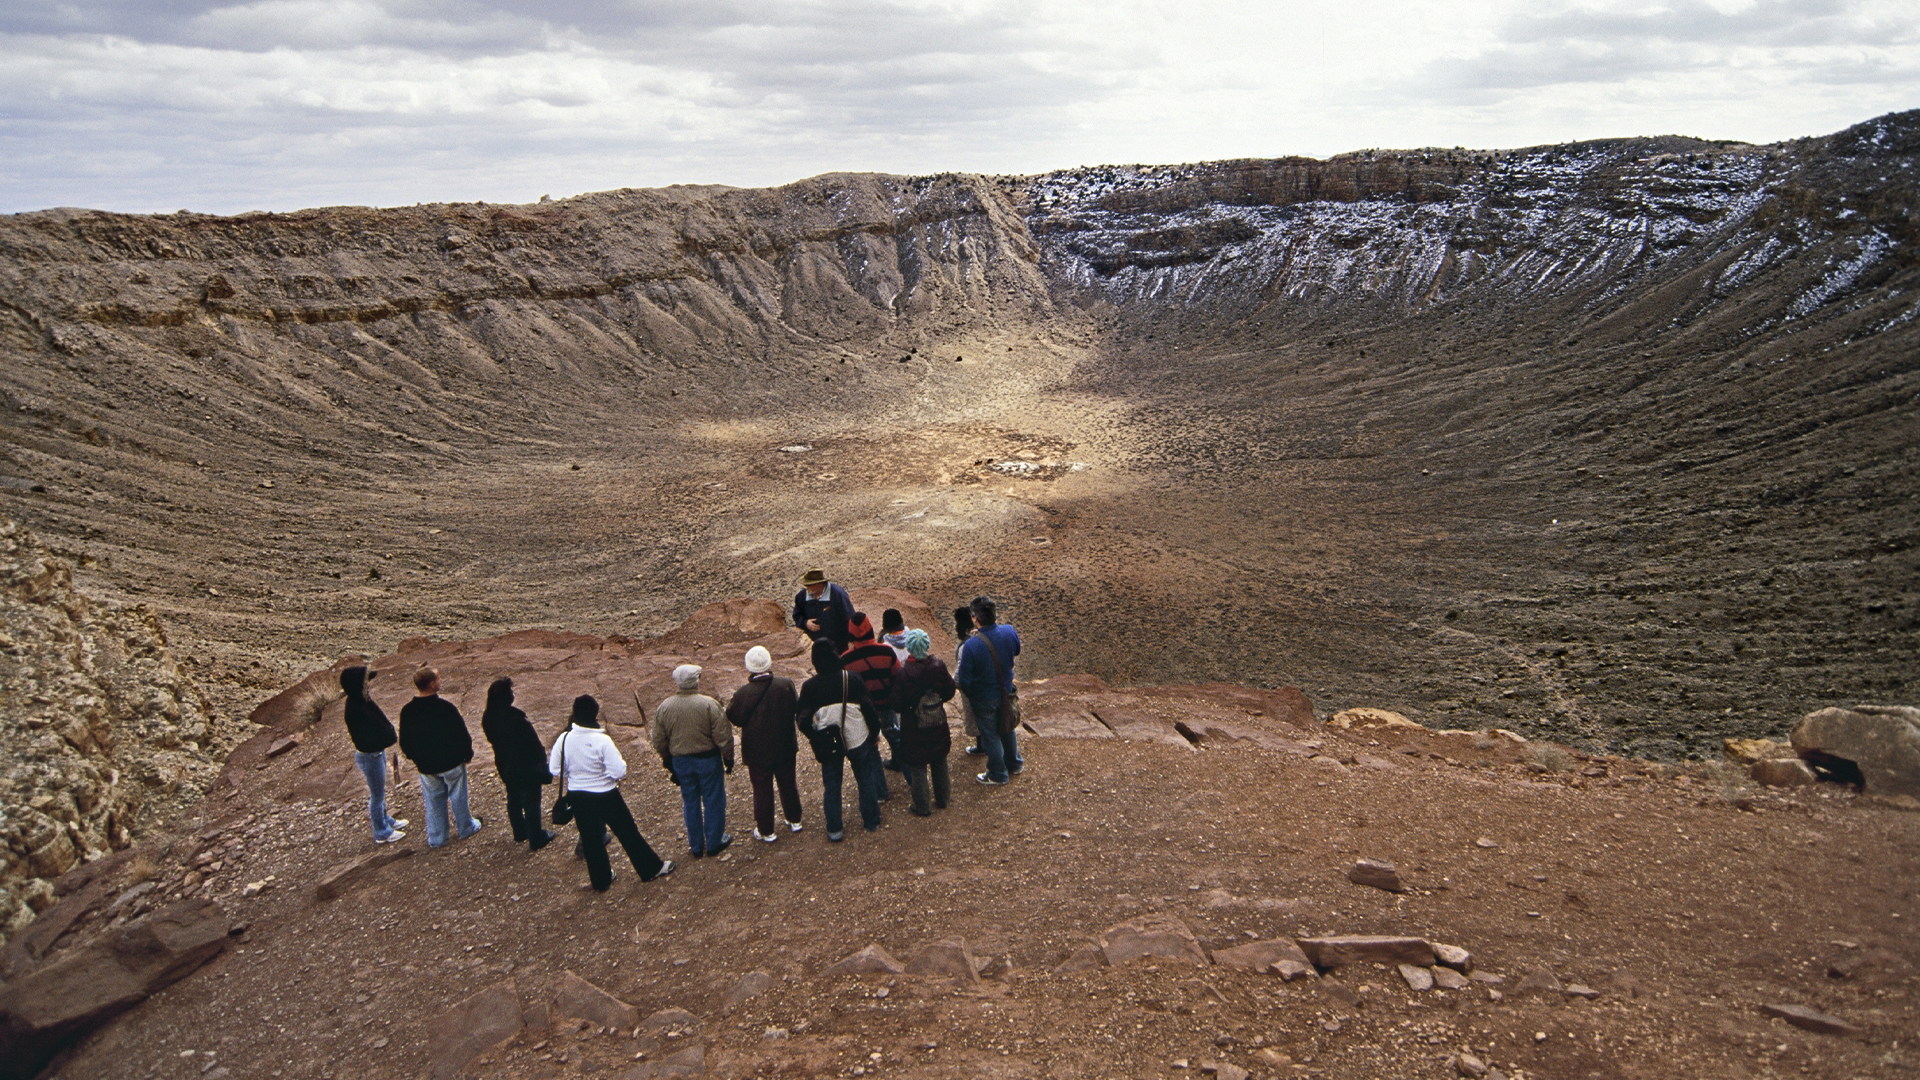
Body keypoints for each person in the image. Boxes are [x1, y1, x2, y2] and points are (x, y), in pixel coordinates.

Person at [548, 694, 673, 891]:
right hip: (606, 794)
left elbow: (555, 769)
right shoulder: (601, 740)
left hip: (578, 796)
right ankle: (650, 869)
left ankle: (601, 880)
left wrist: (577, 773)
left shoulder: (564, 739)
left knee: (590, 840)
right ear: (594, 714)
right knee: (627, 833)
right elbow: (619, 771)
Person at [794, 639, 884, 839]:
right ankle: (871, 821)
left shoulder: (810, 687)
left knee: (832, 784)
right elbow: (869, 708)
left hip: (829, 741)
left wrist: (814, 735)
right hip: (857, 736)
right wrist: (875, 732)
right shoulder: (851, 678)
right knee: (864, 778)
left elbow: (802, 719)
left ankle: (835, 829)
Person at [651, 665, 735, 858]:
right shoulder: (709, 704)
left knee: (690, 802)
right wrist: (728, 757)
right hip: (707, 759)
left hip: (681, 761)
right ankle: (714, 842)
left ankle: (696, 846)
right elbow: (723, 735)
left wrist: (667, 760)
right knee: (713, 799)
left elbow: (658, 739)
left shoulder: (665, 707)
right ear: (696, 681)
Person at [397, 667, 484, 847]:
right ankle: (466, 827)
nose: (441, 680)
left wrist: (416, 758)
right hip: (451, 763)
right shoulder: (446, 708)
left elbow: (405, 742)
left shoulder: (407, 711)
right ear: (431, 684)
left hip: (427, 767)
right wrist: (467, 755)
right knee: (458, 796)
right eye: (438, 678)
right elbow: (461, 734)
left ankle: (438, 838)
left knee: (434, 801)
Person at [726, 645, 803, 842]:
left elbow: (735, 718)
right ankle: (794, 819)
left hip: (757, 750)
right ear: (769, 662)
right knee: (788, 782)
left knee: (761, 789)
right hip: (785, 743)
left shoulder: (742, 693)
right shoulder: (786, 684)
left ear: (749, 667)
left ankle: (766, 830)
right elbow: (796, 707)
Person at [480, 677, 554, 851]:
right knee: (531, 803)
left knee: (513, 799)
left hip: (505, 764)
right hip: (526, 766)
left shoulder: (488, 717)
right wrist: (541, 762)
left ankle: (520, 832)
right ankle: (537, 837)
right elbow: (533, 743)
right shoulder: (516, 719)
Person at [955, 596, 1023, 785]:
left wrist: (972, 694)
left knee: (990, 735)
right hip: (1007, 691)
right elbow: (1016, 650)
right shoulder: (1009, 631)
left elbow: (964, 679)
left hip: (984, 697)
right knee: (1007, 727)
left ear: (975, 618)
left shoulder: (971, 645)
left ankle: (998, 773)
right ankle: (1015, 764)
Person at [890, 629, 956, 816]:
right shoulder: (939, 666)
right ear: (927, 645)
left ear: (909, 648)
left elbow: (896, 704)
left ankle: (922, 806)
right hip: (937, 721)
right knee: (939, 760)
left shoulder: (904, 674)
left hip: (914, 726)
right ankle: (943, 799)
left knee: (917, 766)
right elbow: (950, 691)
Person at [340, 663, 408, 844]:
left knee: (380, 792)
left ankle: (386, 820)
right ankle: (382, 832)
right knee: (377, 796)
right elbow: (366, 737)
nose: (369, 685)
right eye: (366, 682)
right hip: (371, 755)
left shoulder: (360, 701)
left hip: (374, 753)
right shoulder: (356, 709)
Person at [841, 612, 902, 781]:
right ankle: (905, 769)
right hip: (886, 703)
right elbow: (897, 676)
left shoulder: (846, 659)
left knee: (870, 744)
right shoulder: (887, 651)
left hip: (864, 709)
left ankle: (880, 789)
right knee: (894, 735)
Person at [792, 568, 855, 650]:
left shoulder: (838, 594)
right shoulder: (802, 596)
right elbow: (797, 615)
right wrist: (805, 623)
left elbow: (850, 617)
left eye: (809, 585)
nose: (806, 588)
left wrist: (851, 640)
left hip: (839, 644)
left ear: (818, 584)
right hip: (814, 645)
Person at [953, 605, 983, 757]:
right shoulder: (980, 636)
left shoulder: (965, 645)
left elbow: (959, 674)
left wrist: (956, 684)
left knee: (975, 717)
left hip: (971, 688)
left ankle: (981, 747)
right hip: (984, 684)